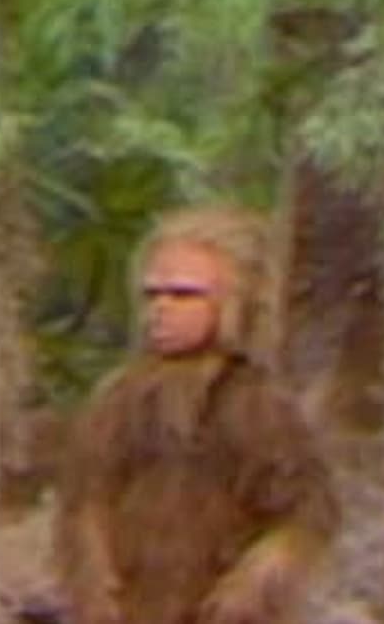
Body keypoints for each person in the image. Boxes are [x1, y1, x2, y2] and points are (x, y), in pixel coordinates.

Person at [55, 207, 339, 624]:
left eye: (184, 294)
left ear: (233, 302)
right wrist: (94, 585)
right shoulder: (117, 402)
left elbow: (303, 519)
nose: (161, 309)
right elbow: (84, 505)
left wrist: (254, 581)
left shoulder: (260, 406)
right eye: (152, 294)